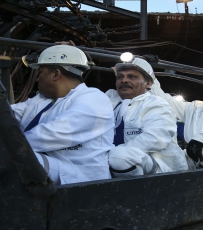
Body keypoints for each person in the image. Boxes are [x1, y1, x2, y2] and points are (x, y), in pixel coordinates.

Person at [12, 45, 114, 185]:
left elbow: (50, 135)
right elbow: (7, 114)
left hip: (82, 179)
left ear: (56, 74)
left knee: (12, 157)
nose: (37, 79)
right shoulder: (40, 100)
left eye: (40, 73)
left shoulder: (94, 98)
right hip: (53, 171)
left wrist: (0, 145)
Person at [105, 53, 188, 176]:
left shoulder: (156, 104)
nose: (124, 80)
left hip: (162, 171)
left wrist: (109, 154)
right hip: (115, 165)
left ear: (148, 83)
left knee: (120, 157)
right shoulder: (109, 100)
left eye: (132, 76)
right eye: (120, 77)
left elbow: (155, 139)